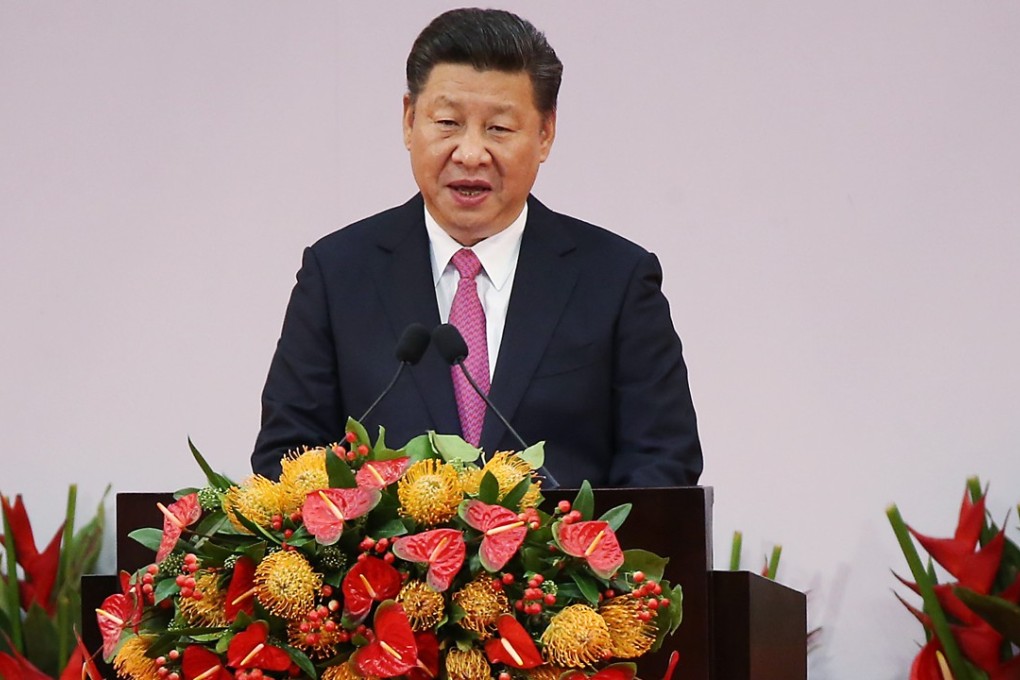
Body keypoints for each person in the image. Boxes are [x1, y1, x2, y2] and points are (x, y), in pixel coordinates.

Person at [251, 8, 702, 488]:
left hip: (558, 562)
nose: (470, 153)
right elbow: (288, 459)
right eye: (447, 122)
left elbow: (662, 465)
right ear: (409, 120)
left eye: (499, 129)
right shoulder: (338, 274)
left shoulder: (616, 279)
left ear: (545, 133)